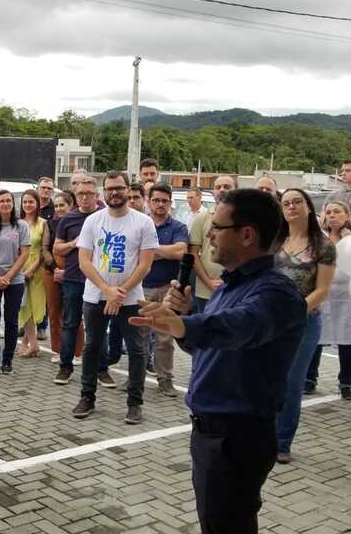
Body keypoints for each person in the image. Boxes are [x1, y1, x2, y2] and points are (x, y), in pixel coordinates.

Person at [132, 188, 307, 534]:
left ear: (246, 235)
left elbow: (240, 327)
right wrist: (185, 320)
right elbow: (208, 347)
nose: (208, 234)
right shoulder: (229, 286)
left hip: (237, 437)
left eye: (217, 227)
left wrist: (184, 323)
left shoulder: (276, 292)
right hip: (213, 432)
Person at [73, 171, 158, 424]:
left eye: (118, 188)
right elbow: (84, 261)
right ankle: (87, 396)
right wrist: (106, 289)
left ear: (127, 189)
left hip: (131, 300)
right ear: (104, 192)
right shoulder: (93, 221)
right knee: (91, 347)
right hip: (95, 296)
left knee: (137, 350)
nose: (114, 193)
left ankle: (134, 403)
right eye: (109, 189)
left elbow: (145, 265)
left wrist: (119, 293)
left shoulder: (143, 222)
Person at [274, 188, 336, 464]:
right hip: (270, 320)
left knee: (290, 382)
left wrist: (295, 312)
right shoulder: (276, 241)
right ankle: (263, 436)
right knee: (267, 378)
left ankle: (282, 442)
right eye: (286, 203)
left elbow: (322, 290)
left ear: (309, 207)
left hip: (304, 323)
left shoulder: (323, 246)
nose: (291, 207)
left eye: (297, 202)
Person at [140, 183, 190, 397]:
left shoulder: (178, 227)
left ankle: (165, 380)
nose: (160, 204)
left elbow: (180, 250)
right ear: (148, 202)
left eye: (165, 201)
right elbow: (133, 252)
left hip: (165, 290)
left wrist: (149, 250)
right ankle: (136, 379)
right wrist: (162, 252)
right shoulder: (140, 224)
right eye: (156, 200)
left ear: (170, 203)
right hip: (140, 288)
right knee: (138, 337)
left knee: (164, 339)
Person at [312, 201, 351, 400]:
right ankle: (310, 378)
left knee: (346, 340)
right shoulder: (318, 238)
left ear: (348, 215)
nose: (332, 215)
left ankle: (346, 383)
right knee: (317, 337)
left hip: (346, 296)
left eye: (337, 212)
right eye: (328, 212)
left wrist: (350, 242)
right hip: (323, 293)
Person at [53, 177, 104, 383]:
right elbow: (57, 247)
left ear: (96, 196)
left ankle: (102, 369)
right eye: (80, 193)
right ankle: (65, 367)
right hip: (73, 278)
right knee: (70, 324)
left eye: (89, 194)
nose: (84, 197)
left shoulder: (104, 218)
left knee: (99, 327)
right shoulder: (68, 219)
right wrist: (75, 243)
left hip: (99, 280)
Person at [0, 189, 30, 374]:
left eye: (8, 200)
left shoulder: (21, 226)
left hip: (14, 280)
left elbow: (24, 254)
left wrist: (8, 277)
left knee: (11, 320)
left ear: (13, 203)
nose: (5, 204)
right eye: (2, 201)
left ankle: (7, 359)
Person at [42, 192, 83, 364]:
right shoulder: (49, 224)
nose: (59, 209)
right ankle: (58, 350)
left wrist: (67, 271)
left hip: (74, 272)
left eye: (62, 206)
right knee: (54, 311)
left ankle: (78, 352)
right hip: (51, 272)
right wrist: (55, 269)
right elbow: (45, 248)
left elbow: (83, 249)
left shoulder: (79, 223)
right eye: (56, 206)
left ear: (71, 205)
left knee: (73, 313)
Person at [189, 176, 236, 312]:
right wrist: (209, 282)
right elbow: (193, 254)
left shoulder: (244, 219)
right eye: (218, 187)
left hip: (234, 289)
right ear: (213, 192)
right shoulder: (202, 217)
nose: (222, 190)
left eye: (227, 187)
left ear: (236, 190)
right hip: (205, 290)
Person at [16, 189, 47, 358]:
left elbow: (44, 251)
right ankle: (31, 344)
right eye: (25, 202)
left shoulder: (43, 224)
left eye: (31, 202)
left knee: (35, 307)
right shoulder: (18, 223)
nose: (28, 205)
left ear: (37, 204)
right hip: (20, 266)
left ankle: (30, 344)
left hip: (37, 269)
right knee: (24, 307)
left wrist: (31, 270)